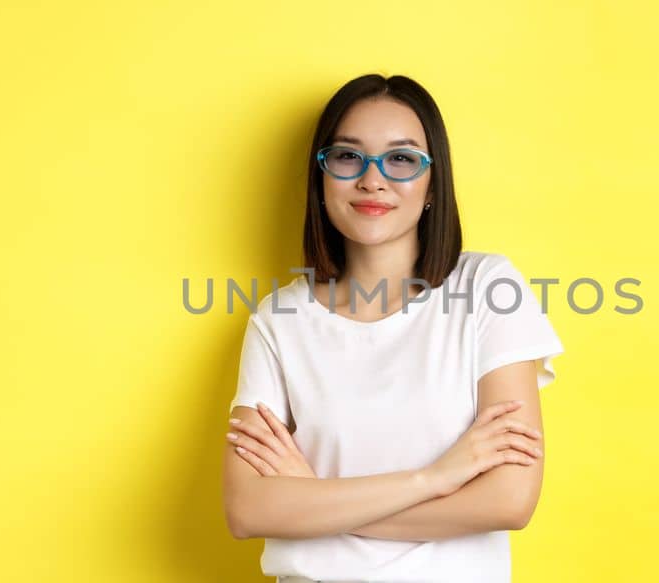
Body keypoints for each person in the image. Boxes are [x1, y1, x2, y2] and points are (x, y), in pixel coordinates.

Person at [221, 73, 564, 583]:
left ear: (432, 183)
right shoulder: (278, 320)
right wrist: (437, 478)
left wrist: (314, 501)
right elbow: (248, 509)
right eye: (347, 156)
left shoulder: (490, 288)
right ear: (321, 178)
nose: (372, 179)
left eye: (401, 159)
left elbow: (509, 500)